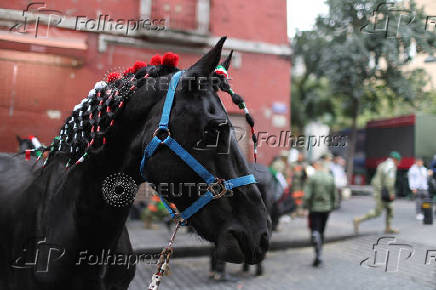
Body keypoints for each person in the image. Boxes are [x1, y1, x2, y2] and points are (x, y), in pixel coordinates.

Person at [353, 151, 402, 234]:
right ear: (394, 160)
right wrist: (391, 194)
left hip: (379, 190)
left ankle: (388, 227)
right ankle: (358, 220)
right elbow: (389, 183)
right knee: (377, 212)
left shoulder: (383, 164)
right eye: (398, 160)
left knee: (390, 208)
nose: (399, 162)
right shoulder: (391, 167)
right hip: (382, 192)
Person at [303, 159, 337, 267]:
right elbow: (334, 195)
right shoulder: (330, 178)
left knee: (315, 227)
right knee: (322, 230)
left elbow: (307, 195)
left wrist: (305, 206)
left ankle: (315, 236)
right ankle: (320, 254)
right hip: (326, 208)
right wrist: (333, 206)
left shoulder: (313, 177)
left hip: (314, 208)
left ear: (317, 166)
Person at [290, 151, 307, 216]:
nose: (300, 157)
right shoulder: (293, 164)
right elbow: (290, 173)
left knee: (300, 198)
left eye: (301, 156)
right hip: (294, 184)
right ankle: (293, 211)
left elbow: (306, 175)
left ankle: (299, 211)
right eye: (299, 156)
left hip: (302, 184)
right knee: (294, 198)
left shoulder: (305, 165)